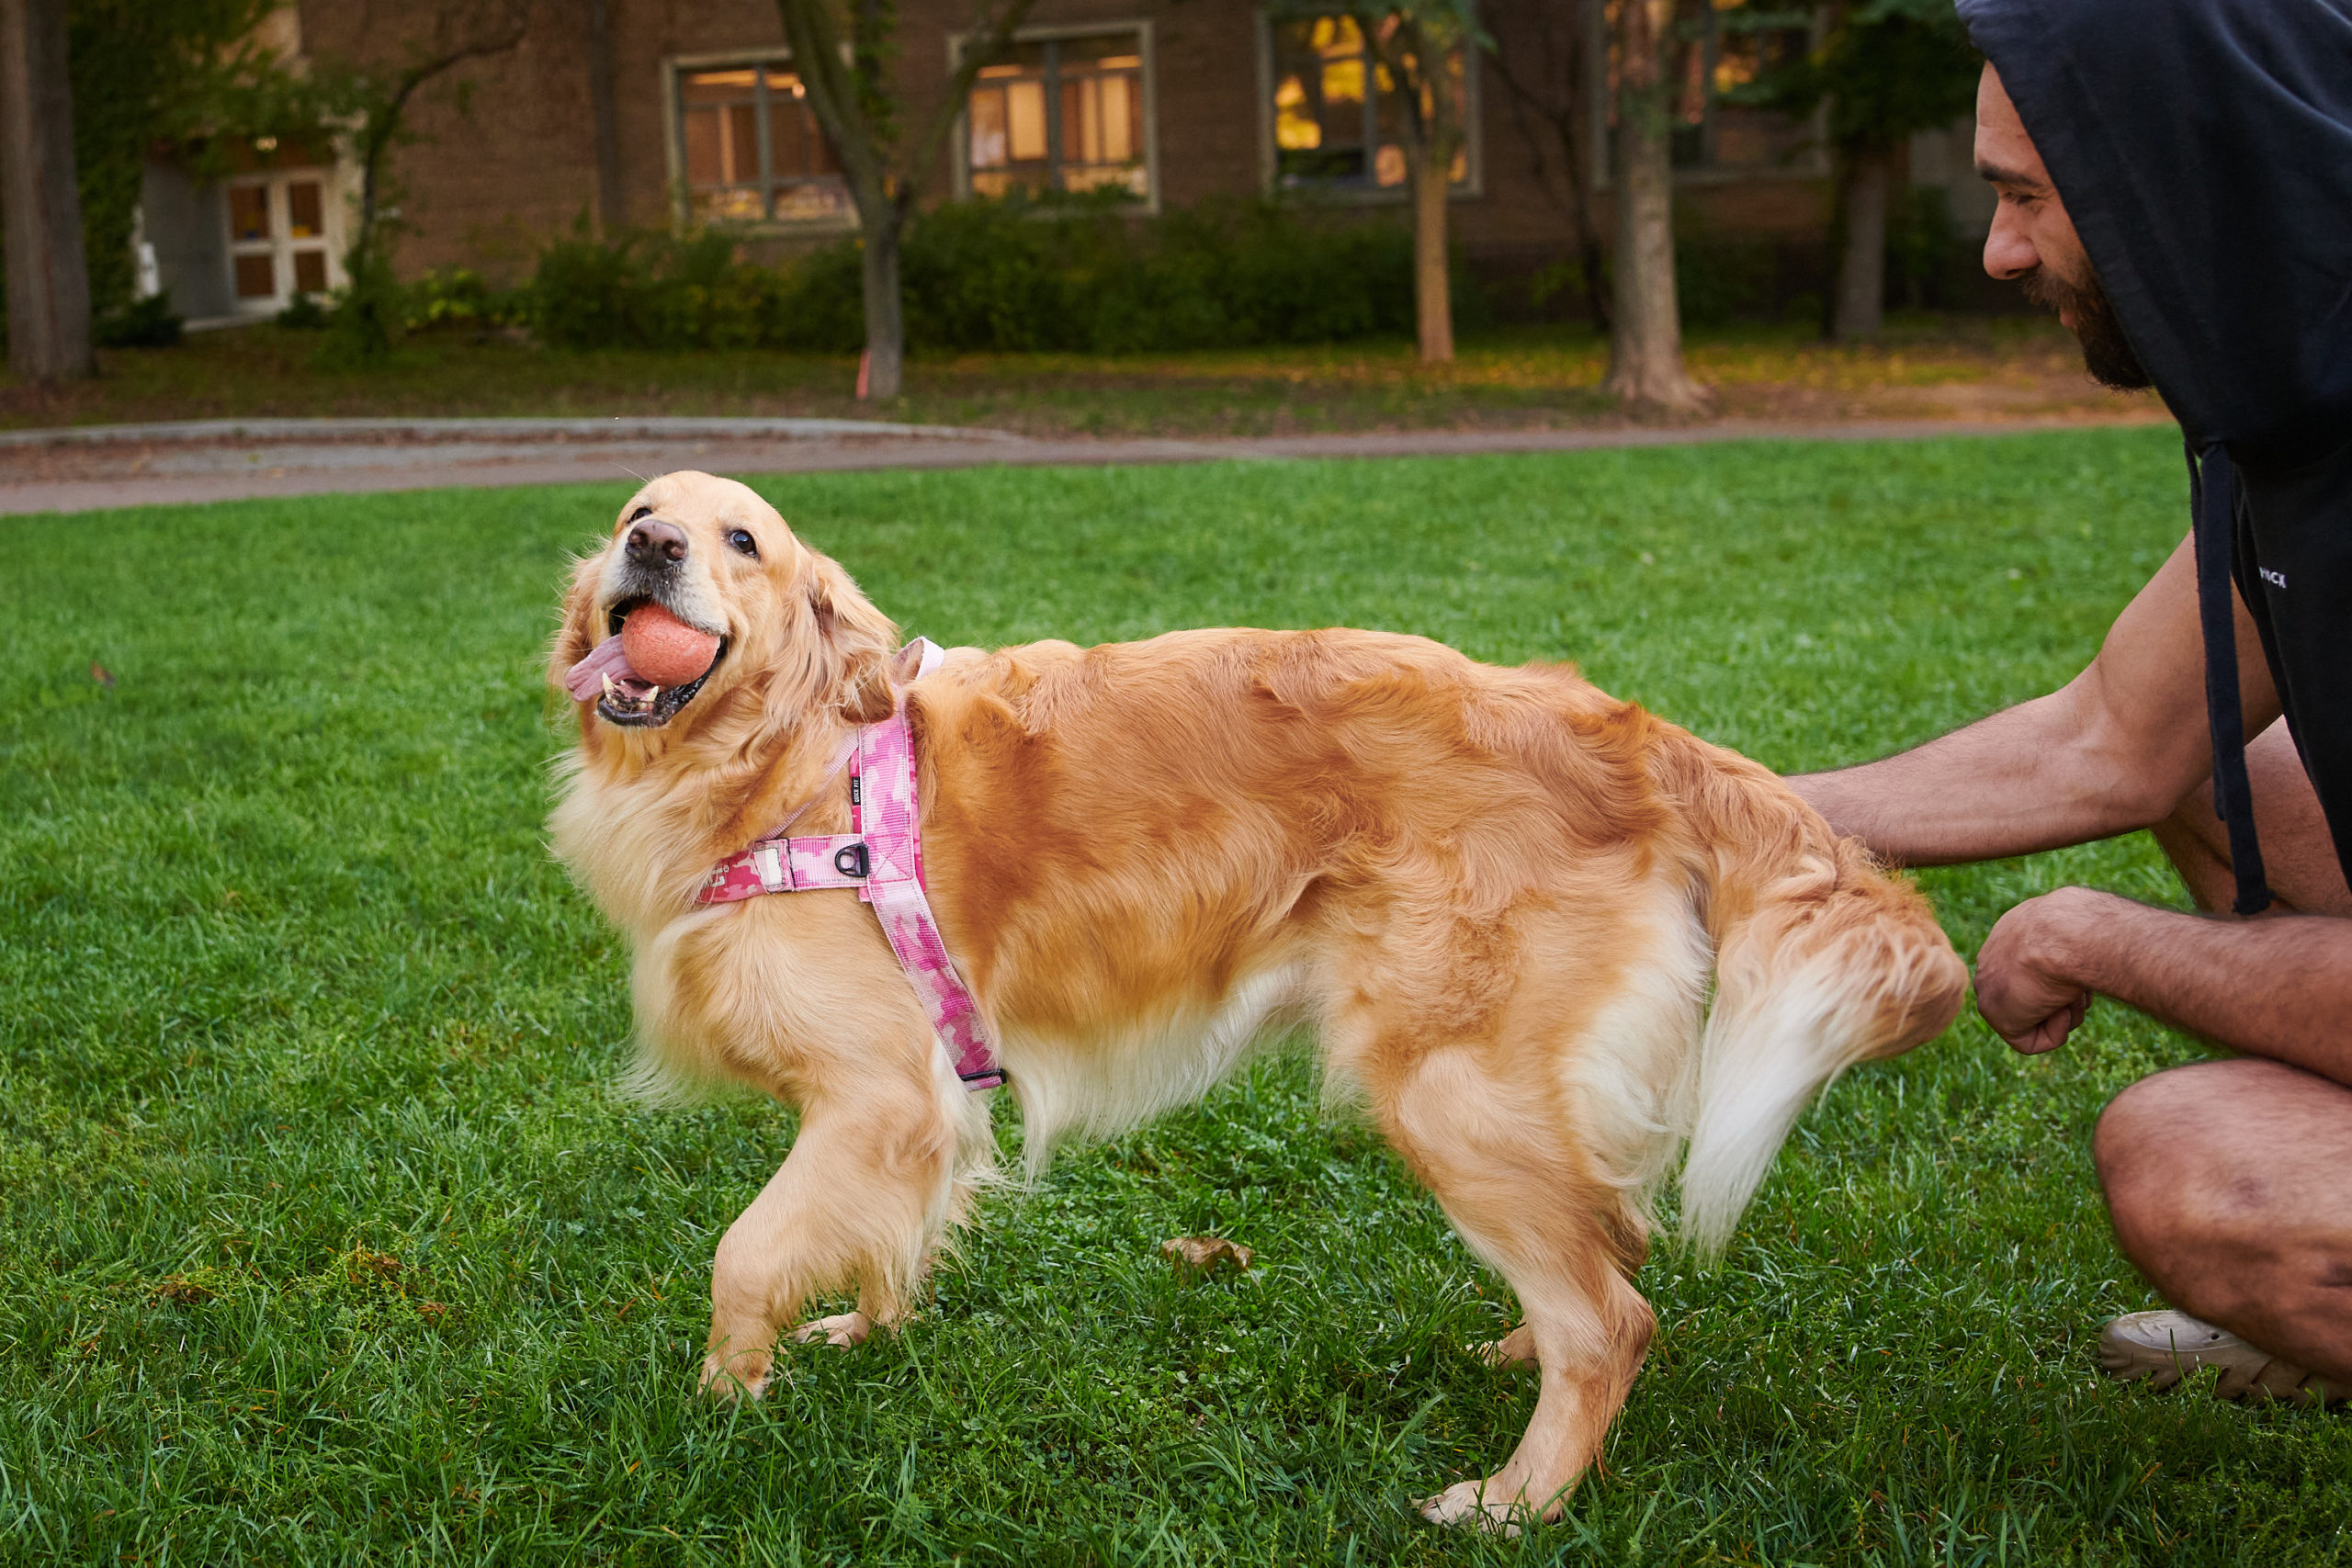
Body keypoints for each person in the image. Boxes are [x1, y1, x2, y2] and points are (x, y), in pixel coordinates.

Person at [1789, 0, 2352, 1405]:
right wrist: (1705, 812)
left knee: (2195, 1170)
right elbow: (2111, 739)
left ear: (2180, 180)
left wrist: (2091, 931)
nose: (1998, 249)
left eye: (2027, 195)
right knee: (2237, 769)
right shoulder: (2292, 416)